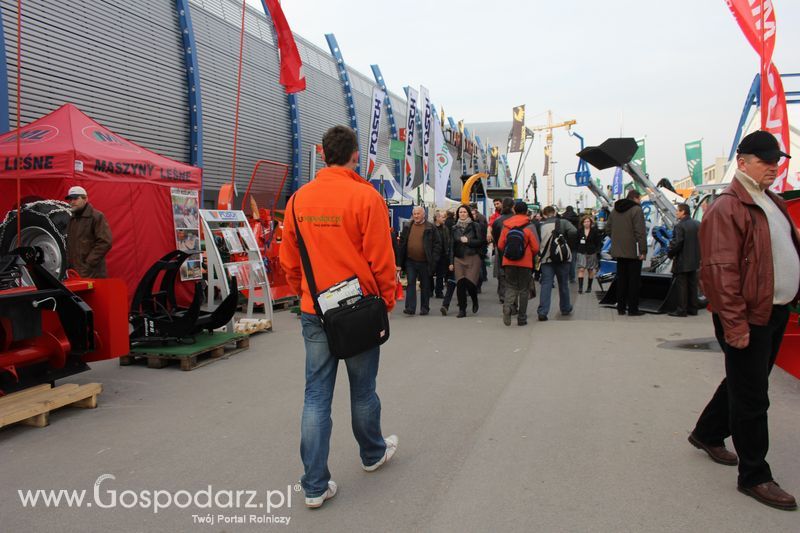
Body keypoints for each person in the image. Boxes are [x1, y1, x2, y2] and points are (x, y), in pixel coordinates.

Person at [279, 125, 399, 509]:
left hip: (316, 310)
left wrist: (303, 293)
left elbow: (289, 260)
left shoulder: (298, 200)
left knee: (316, 395)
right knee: (363, 389)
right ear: (354, 155)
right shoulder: (365, 197)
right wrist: (388, 299)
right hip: (359, 309)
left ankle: (314, 485)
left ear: (323, 153)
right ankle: (372, 454)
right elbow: (381, 257)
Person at [689, 130, 799, 511]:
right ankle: (755, 475)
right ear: (743, 162)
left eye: (776, 160)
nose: (773, 167)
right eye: (765, 160)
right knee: (753, 396)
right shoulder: (727, 207)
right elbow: (720, 272)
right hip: (747, 315)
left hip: (773, 310)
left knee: (746, 381)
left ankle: (707, 433)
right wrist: (735, 326)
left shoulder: (771, 201)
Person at [498, 200, 539, 326]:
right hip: (525, 264)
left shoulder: (506, 226)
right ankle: (522, 318)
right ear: (526, 212)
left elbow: (500, 245)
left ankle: (507, 307)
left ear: (514, 210)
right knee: (523, 290)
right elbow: (536, 248)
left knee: (510, 286)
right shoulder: (529, 226)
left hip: (509, 262)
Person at [606, 189, 647, 316]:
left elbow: (608, 229)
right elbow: (640, 232)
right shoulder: (637, 210)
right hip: (633, 252)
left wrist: (617, 240)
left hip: (618, 251)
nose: (640, 201)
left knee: (621, 280)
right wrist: (643, 250)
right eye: (639, 199)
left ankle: (621, 308)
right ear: (635, 198)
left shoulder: (614, 210)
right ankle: (633, 309)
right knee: (633, 281)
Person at [396, 206, 441, 316]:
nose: (416, 216)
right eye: (414, 214)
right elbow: (402, 244)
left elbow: (437, 244)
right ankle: (410, 308)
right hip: (410, 261)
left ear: (423, 214)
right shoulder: (408, 226)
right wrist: (399, 263)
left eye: (418, 214)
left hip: (425, 261)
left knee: (425, 285)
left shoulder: (431, 227)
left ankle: (424, 308)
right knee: (411, 284)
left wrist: (434, 259)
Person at [536, 205, 576, 321]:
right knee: (563, 284)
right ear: (555, 212)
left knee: (546, 284)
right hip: (562, 258)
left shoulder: (540, 226)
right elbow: (573, 231)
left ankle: (543, 312)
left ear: (544, 214)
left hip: (546, 260)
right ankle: (565, 308)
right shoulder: (562, 222)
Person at [65, 185, 113, 278]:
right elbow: (70, 244)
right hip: (74, 273)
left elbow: (105, 242)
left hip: (93, 273)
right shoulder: (72, 219)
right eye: (70, 199)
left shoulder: (96, 216)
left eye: (75, 199)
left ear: (85, 199)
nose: (72, 202)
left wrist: (88, 263)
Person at [449, 204, 484, 317]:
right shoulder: (454, 228)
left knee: (470, 283)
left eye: (464, 212)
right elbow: (451, 246)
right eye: (460, 212)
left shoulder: (475, 226)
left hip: (473, 257)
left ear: (468, 213)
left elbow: (481, 241)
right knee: (460, 283)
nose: (462, 214)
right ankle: (462, 310)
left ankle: (474, 299)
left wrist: (468, 241)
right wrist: (450, 262)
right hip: (459, 258)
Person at [667, 203, 700, 317]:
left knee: (682, 286)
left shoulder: (680, 226)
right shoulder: (697, 224)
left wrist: (670, 253)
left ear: (683, 212)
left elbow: (678, 243)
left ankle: (681, 310)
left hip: (682, 260)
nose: (676, 213)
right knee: (692, 285)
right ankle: (693, 309)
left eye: (678, 211)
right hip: (694, 260)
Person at [490, 198, 515, 303]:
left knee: (502, 272)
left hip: (500, 249)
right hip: (516, 251)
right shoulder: (517, 219)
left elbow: (495, 237)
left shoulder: (497, 221)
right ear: (513, 206)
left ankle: (502, 295)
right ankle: (512, 297)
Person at [575, 215, 603, 294]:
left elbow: (598, 242)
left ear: (591, 223)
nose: (587, 223)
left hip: (591, 252)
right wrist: (577, 249)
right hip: (581, 252)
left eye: (588, 222)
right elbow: (576, 241)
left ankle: (589, 287)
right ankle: (580, 288)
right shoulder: (579, 231)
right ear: (582, 223)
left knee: (590, 270)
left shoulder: (595, 231)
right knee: (581, 269)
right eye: (585, 222)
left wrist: (597, 250)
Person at [431, 210, 451, 299]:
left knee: (440, 275)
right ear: (437, 218)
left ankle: (439, 291)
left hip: (443, 255)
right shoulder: (431, 228)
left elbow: (447, 241)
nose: (444, 219)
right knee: (430, 274)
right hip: (433, 255)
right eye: (443, 217)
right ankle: (430, 291)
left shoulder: (445, 228)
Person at [471, 203, 489, 292]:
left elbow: (484, 236)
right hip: (470, 252)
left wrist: (484, 248)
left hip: (479, 250)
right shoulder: (467, 225)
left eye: (474, 214)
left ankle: (478, 285)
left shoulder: (481, 224)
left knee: (480, 272)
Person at [562, 205, 580, 282]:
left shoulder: (563, 218)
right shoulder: (576, 218)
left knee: (564, 261)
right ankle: (572, 277)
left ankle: (564, 276)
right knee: (572, 261)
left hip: (564, 242)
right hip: (574, 243)